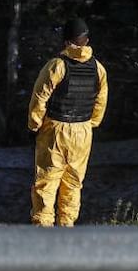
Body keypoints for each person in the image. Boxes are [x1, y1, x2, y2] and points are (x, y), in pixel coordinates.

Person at [27, 18, 108, 227]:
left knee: (47, 182)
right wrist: (92, 123)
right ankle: (67, 228)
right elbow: (101, 100)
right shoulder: (98, 68)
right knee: (73, 183)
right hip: (83, 131)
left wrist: (34, 126)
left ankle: (44, 230)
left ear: (65, 41)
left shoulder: (56, 65)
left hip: (56, 130)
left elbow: (39, 97)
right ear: (87, 40)